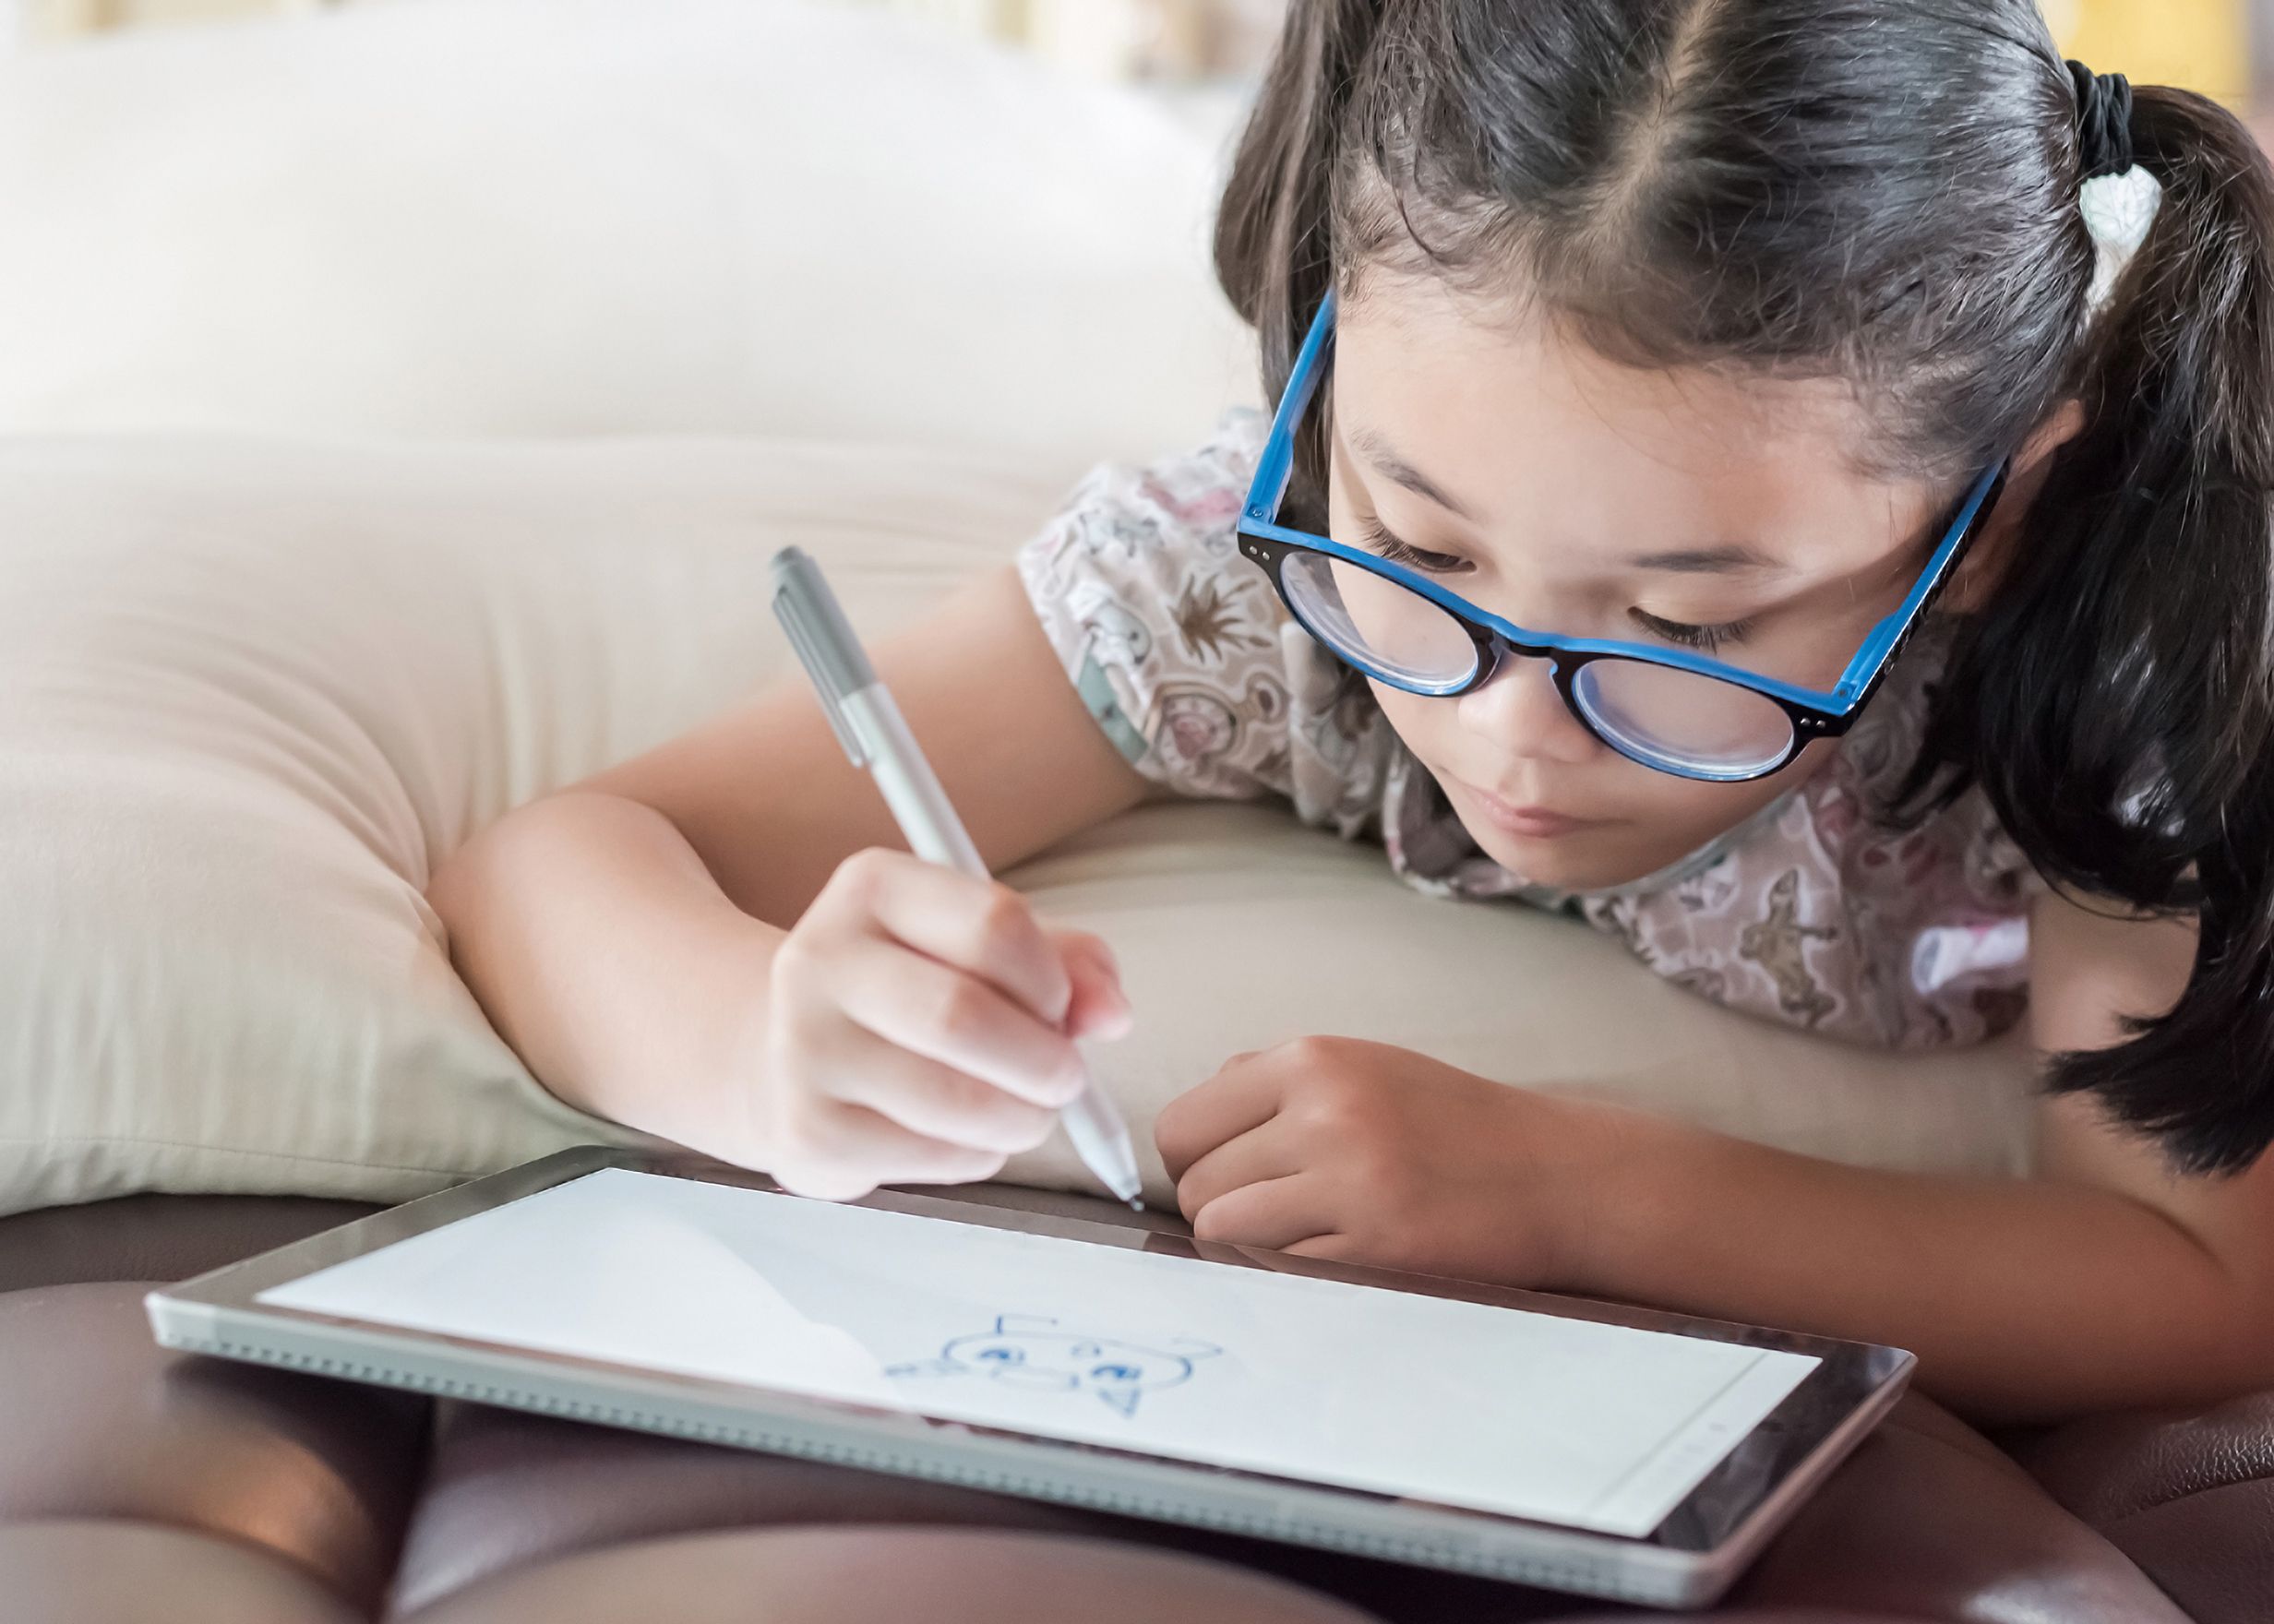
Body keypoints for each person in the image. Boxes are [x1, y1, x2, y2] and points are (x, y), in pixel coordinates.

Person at [428, 1, 2274, 1425]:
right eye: (1420, 536)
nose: (1506, 735)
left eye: (1679, 620)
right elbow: (556, 868)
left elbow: (2189, 1275)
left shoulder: (2114, 660)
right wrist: (765, 1049)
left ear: (1987, 526)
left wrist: (1580, 1193)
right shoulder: (1259, 572)